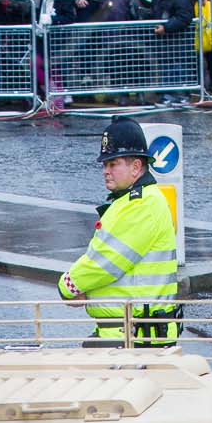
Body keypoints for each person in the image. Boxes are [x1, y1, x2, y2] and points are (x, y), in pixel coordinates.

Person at [58, 117, 180, 346]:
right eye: (104, 164)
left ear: (136, 167)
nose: (106, 171)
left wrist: (68, 286)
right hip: (129, 331)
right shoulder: (132, 202)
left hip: (135, 337)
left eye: (113, 164)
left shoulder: (141, 205)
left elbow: (105, 262)